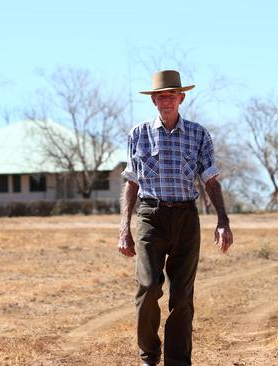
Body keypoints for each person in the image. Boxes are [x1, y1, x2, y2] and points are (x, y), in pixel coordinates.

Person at [118, 70, 234, 366]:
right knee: (147, 287)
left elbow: (210, 180)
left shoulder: (198, 134)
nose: (165, 100)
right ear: (154, 100)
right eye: (160, 96)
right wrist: (124, 229)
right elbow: (131, 182)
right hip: (150, 216)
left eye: (171, 95)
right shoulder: (138, 134)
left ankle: (178, 362)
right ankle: (149, 357)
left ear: (181, 98)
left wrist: (223, 221)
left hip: (185, 219)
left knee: (182, 297)